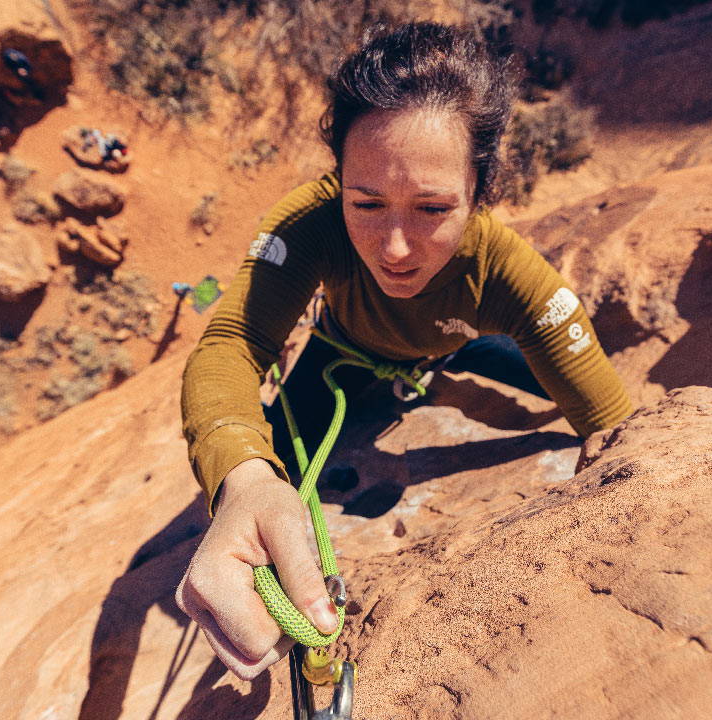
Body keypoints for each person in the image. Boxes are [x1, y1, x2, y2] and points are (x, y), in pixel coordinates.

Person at [175, 22, 634, 681]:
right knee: (267, 461)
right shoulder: (311, 222)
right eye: (366, 202)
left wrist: (609, 436)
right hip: (343, 353)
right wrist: (242, 477)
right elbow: (233, 344)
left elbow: (608, 415)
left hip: (450, 346)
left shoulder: (504, 271)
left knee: (529, 375)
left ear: (481, 189)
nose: (394, 248)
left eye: (431, 208)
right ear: (338, 180)